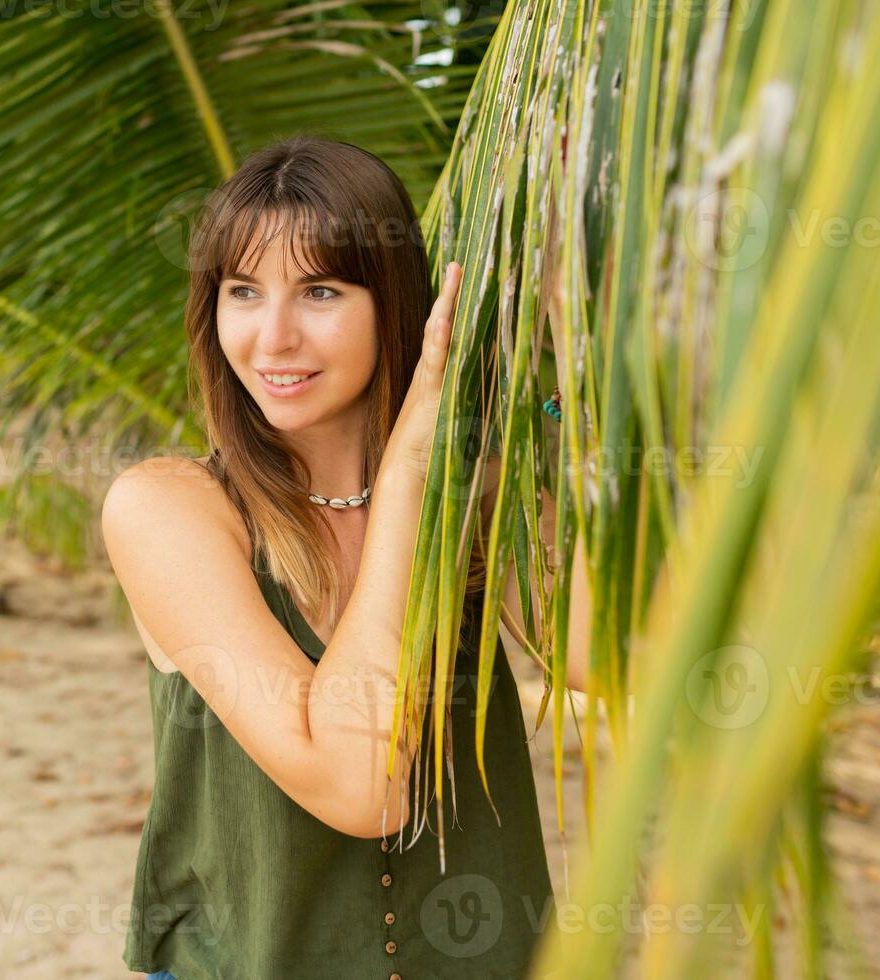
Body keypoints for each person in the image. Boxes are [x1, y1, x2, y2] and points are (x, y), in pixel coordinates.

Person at [103, 134, 591, 980]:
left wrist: (583, 382)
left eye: (320, 291)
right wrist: (406, 474)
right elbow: (362, 788)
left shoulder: (474, 496)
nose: (273, 337)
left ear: (393, 306)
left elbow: (622, 652)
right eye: (243, 292)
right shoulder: (169, 509)